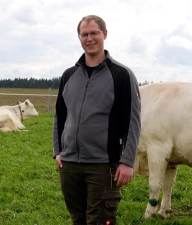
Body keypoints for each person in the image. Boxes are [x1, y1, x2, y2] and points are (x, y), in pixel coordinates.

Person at [52, 15, 141, 225]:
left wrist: (127, 161)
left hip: (103, 165)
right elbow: (60, 116)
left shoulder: (122, 75)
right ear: (79, 37)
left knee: (100, 221)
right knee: (78, 219)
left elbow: (133, 122)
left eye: (94, 33)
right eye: (84, 34)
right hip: (70, 165)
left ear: (105, 34)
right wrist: (58, 151)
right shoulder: (69, 75)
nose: (89, 38)